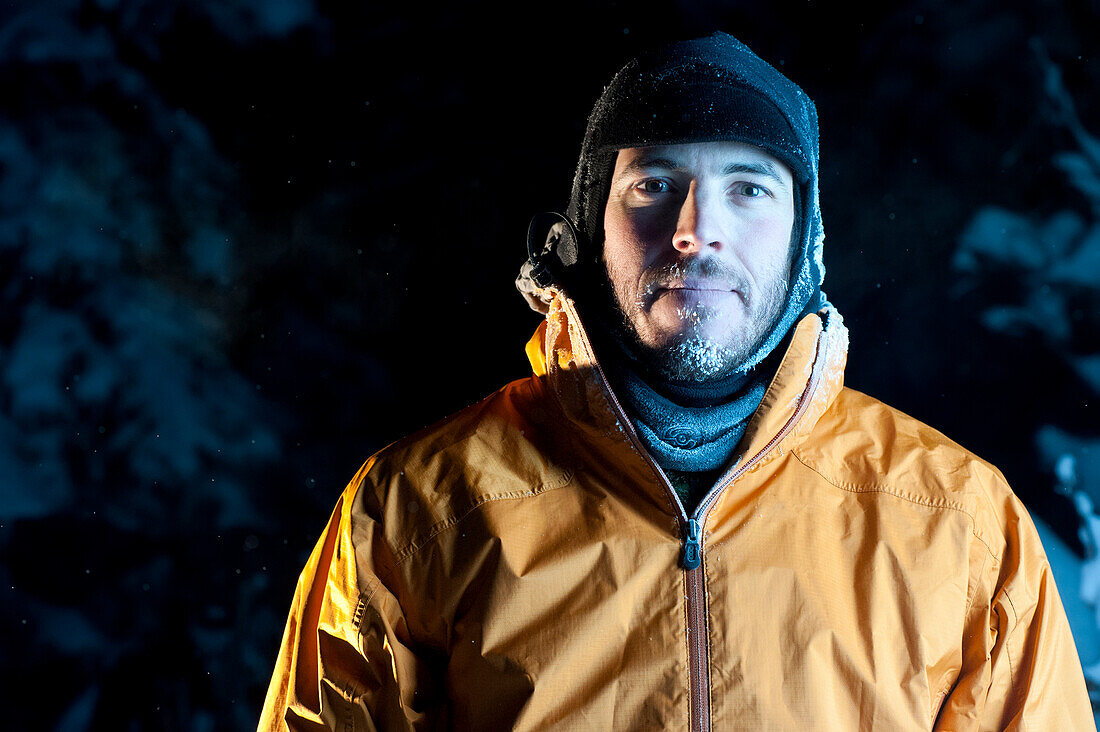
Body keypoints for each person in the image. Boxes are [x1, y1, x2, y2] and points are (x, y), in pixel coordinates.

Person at [259, 32, 1094, 730]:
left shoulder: (959, 521)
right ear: (587, 228)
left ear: (807, 242)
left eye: (748, 189)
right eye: (654, 186)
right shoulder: (417, 510)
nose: (696, 231)